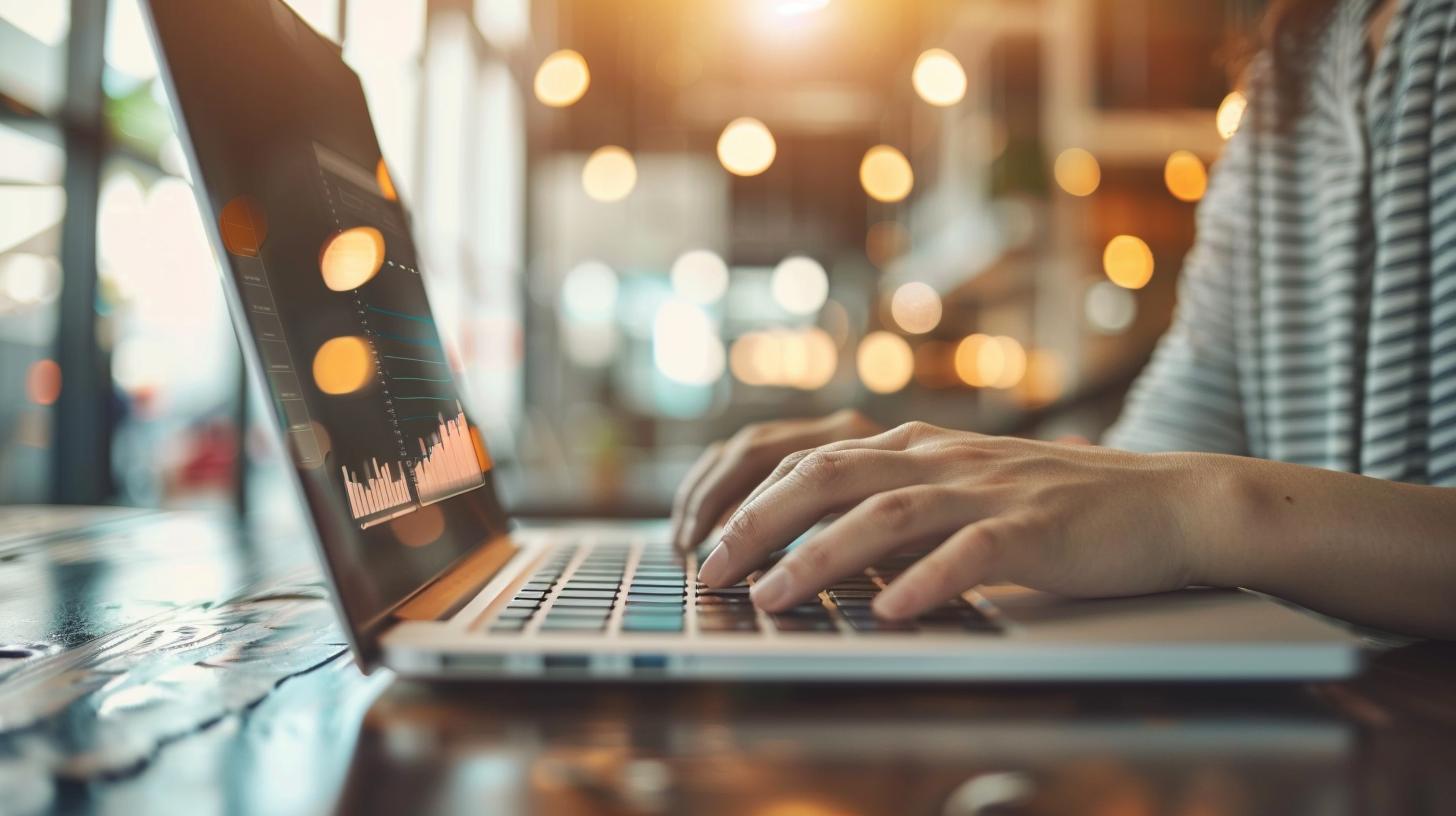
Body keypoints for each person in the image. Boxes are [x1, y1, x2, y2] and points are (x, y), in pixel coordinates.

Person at [670, 0, 1456, 640]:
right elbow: (1153, 468)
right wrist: (921, 473)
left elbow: (1186, 497)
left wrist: (1210, 508)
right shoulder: (1295, 64)